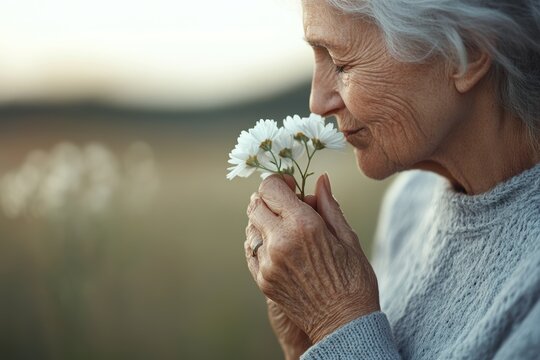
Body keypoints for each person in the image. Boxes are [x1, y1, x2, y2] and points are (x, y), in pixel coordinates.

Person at [243, 0, 540, 359]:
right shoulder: (409, 205)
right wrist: (305, 345)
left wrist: (334, 319)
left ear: (467, 53)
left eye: (341, 64)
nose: (317, 103)